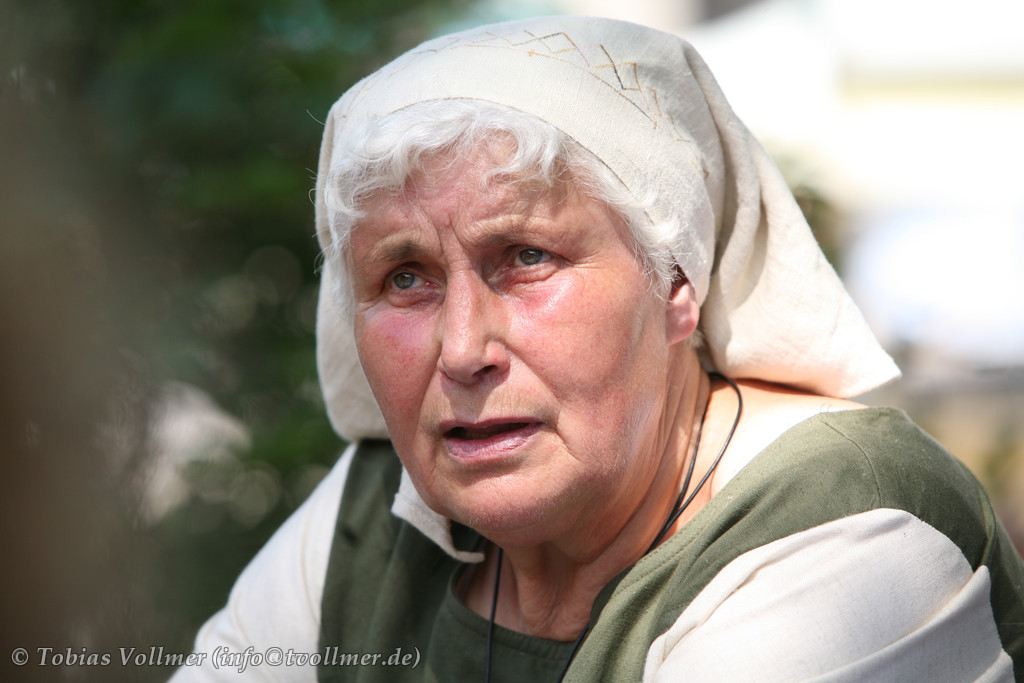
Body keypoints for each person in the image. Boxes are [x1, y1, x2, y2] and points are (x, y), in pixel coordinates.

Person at [171, 15, 1024, 682]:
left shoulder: (847, 533)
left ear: (677, 280)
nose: (462, 349)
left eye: (526, 257)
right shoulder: (377, 517)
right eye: (404, 277)